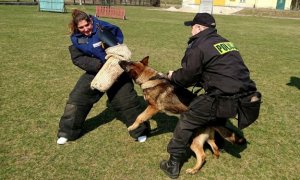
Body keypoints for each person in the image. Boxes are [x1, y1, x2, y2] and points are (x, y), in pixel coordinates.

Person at [160, 13, 259, 178]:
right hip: (245, 95)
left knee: (187, 120)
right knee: (217, 115)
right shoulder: (225, 42)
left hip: (222, 97)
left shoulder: (199, 46)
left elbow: (187, 76)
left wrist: (172, 76)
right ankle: (219, 143)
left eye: (192, 27)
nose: (191, 31)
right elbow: (223, 69)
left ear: (198, 28)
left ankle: (173, 163)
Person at [57, 9, 150, 145]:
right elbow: (77, 58)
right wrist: (98, 65)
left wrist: (114, 59)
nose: (85, 29)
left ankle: (140, 131)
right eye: (81, 27)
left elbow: (119, 41)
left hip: (117, 69)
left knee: (127, 102)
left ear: (91, 21)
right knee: (77, 99)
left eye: (87, 25)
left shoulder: (104, 27)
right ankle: (67, 133)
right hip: (95, 71)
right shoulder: (76, 38)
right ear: (77, 27)